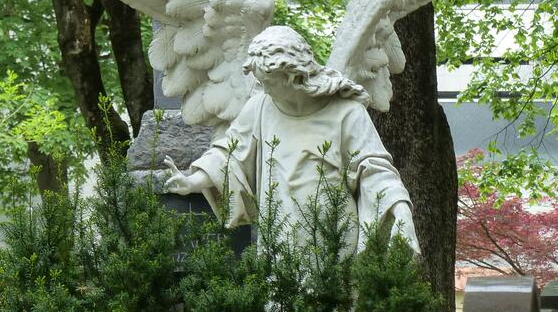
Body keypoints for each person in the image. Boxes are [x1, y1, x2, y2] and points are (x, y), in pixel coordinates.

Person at [165, 25, 418, 252]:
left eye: (268, 82)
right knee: (281, 303)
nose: (263, 89)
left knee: (335, 303)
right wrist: (193, 181)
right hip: (279, 236)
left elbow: (373, 168)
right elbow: (228, 154)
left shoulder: (346, 112)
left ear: (293, 77)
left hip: (335, 239)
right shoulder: (260, 108)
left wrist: (398, 204)